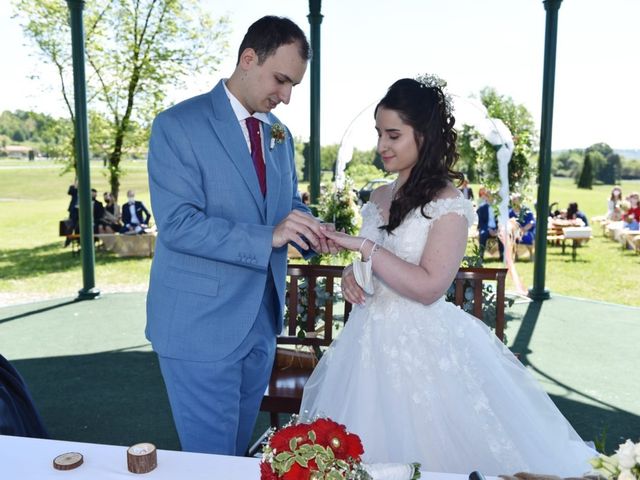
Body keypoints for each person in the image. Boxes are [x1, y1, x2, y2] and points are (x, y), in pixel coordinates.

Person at [300, 76, 595, 475]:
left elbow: (428, 287)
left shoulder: (448, 205)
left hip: (423, 348)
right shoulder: (379, 197)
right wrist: (357, 274)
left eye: (393, 135)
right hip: (366, 345)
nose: (382, 146)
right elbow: (377, 267)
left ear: (424, 137)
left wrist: (364, 249)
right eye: (379, 134)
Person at [145, 16, 335, 456]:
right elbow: (178, 225)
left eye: (293, 86)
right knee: (212, 462)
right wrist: (270, 235)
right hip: (199, 328)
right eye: (281, 80)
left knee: (235, 458)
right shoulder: (178, 125)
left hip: (260, 325)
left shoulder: (278, 135)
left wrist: (310, 225)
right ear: (248, 59)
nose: (286, 97)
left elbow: (285, 205)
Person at [476, 187, 503, 261]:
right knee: (483, 234)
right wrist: (489, 229)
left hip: (496, 228)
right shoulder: (482, 208)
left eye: (491, 196)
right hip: (486, 228)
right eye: (488, 196)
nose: (490, 198)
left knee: (502, 234)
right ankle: (480, 256)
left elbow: (500, 221)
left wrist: (496, 230)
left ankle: (502, 256)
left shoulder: (497, 208)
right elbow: (481, 222)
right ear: (486, 197)